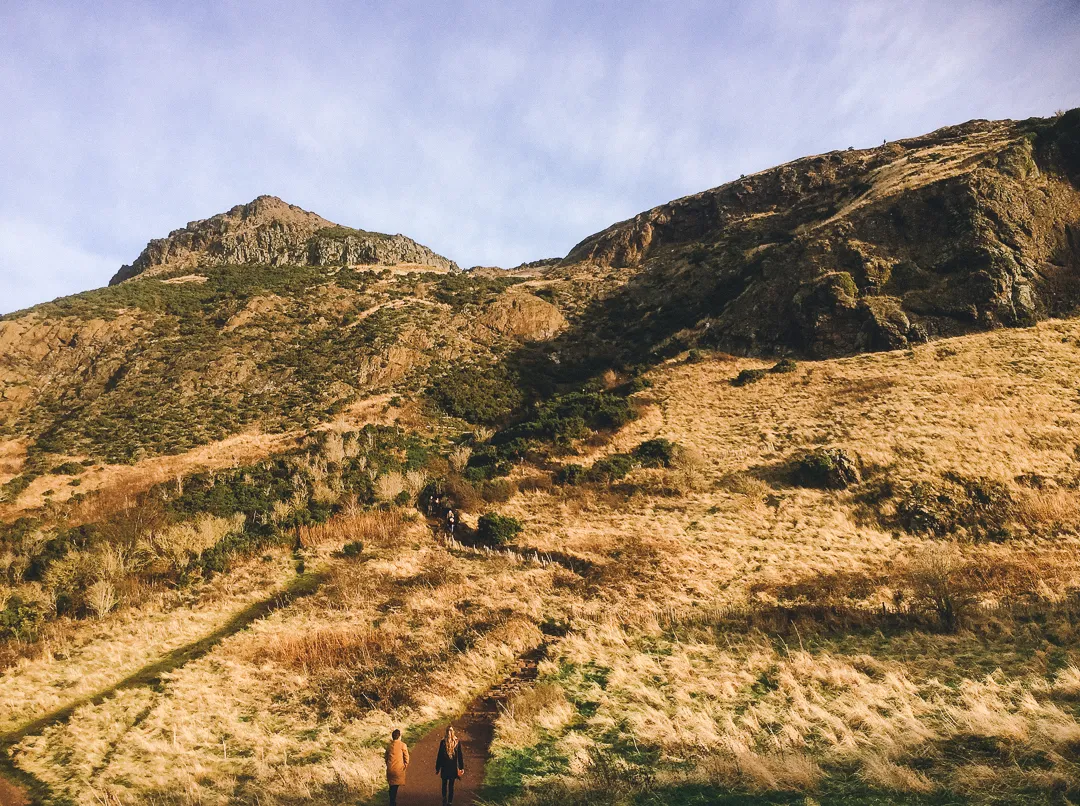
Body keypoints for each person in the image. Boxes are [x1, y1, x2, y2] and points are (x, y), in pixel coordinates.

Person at [435, 725, 464, 805]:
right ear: (453, 732)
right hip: (453, 767)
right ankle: (450, 801)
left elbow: (439, 756)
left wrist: (437, 767)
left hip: (444, 767)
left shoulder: (443, 742)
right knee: (451, 785)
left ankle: (444, 799)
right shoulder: (457, 742)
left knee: (444, 784)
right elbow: (460, 756)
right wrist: (461, 767)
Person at [384, 729, 409, 806]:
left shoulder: (389, 746)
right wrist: (405, 765)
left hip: (390, 768)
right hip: (399, 768)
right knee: (395, 786)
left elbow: (386, 757)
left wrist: (388, 764)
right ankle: (392, 802)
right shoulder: (403, 745)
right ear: (399, 736)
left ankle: (392, 800)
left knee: (391, 785)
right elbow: (406, 757)